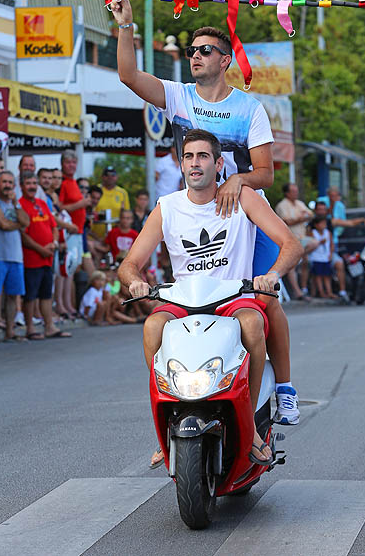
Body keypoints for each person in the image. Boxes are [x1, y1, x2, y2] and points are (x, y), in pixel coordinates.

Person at [111, 0, 300, 427]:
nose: (195, 56)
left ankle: (285, 390)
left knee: (266, 301)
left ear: (225, 60)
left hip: (245, 211)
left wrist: (240, 180)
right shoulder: (178, 96)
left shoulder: (249, 108)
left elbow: (266, 173)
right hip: (201, 209)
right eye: (192, 50)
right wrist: (126, 26)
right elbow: (128, 75)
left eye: (204, 50)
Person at [118, 129, 303, 467]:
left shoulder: (243, 198)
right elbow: (130, 264)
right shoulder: (167, 207)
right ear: (180, 163)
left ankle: (251, 429)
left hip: (233, 296)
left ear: (218, 163)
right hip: (184, 299)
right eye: (188, 157)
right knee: (151, 327)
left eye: (202, 156)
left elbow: (291, 244)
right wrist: (135, 283)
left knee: (252, 324)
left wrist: (272, 274)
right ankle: (166, 428)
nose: (195, 163)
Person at [19, 172, 71, 340]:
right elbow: (23, 235)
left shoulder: (42, 203)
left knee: (47, 294)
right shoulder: (20, 205)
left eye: (34, 183)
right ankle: (30, 328)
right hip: (32, 258)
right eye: (28, 183)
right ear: (21, 186)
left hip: (48, 257)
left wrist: (54, 243)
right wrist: (40, 249)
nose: (32, 186)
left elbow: (54, 226)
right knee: (30, 295)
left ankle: (49, 327)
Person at [0, 171, 29, 343]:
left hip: (15, 257)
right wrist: (18, 224)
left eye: (10, 182)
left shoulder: (15, 205)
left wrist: (16, 204)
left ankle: (10, 331)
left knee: (13, 295)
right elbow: (3, 225)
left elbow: (26, 222)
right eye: (4, 182)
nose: (7, 185)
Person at [317, 187, 365, 304]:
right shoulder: (312, 222)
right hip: (315, 252)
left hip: (329, 251)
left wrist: (363, 219)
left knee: (339, 263)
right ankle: (316, 292)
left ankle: (342, 292)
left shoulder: (332, 221)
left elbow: (350, 223)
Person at [58, 150, 90, 318]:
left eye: (73, 162)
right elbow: (60, 208)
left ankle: (69, 305)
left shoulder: (73, 182)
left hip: (78, 231)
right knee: (66, 270)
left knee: (72, 270)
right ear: (63, 164)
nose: (71, 165)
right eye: (68, 162)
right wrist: (81, 204)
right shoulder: (63, 183)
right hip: (68, 232)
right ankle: (63, 305)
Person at [275, 183, 317, 300]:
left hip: (302, 238)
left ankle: (304, 288)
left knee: (311, 250)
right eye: (293, 191)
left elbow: (311, 214)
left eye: (296, 191)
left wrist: (300, 218)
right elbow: (286, 222)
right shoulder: (282, 206)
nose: (296, 193)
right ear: (287, 193)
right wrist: (301, 218)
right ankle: (298, 292)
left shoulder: (300, 203)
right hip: (290, 239)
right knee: (292, 265)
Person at [92, 166, 130, 239]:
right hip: (95, 235)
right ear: (102, 177)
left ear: (117, 177)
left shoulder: (122, 193)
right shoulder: (96, 190)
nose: (110, 177)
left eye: (113, 175)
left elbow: (127, 215)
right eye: (107, 175)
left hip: (116, 236)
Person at [308, 215, 337, 299]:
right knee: (318, 276)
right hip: (316, 257)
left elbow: (331, 244)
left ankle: (329, 292)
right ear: (316, 225)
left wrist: (331, 254)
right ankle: (321, 292)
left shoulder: (328, 233)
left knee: (327, 275)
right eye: (322, 223)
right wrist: (320, 242)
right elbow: (310, 244)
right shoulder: (312, 233)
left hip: (325, 257)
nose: (324, 225)